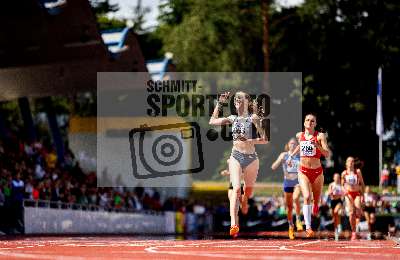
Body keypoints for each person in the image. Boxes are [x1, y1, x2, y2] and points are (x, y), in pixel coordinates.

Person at [210, 91, 268, 237]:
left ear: (247, 102)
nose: (237, 101)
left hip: (251, 158)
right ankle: (233, 224)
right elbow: (212, 121)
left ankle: (245, 200)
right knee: (235, 189)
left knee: (247, 193)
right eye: (235, 99)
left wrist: (248, 141)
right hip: (235, 155)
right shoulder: (232, 118)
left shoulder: (253, 118)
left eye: (240, 99)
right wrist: (220, 103)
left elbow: (265, 139)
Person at [288, 113, 331, 238]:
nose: (310, 122)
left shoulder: (320, 136)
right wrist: (291, 156)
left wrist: (317, 146)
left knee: (316, 201)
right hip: (303, 171)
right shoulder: (299, 135)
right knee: (306, 196)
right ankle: (308, 227)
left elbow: (327, 154)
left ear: (315, 124)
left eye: (312, 121)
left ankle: (316, 204)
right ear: (304, 123)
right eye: (307, 120)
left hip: (317, 172)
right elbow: (300, 146)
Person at [271, 138, 303, 240]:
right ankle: (290, 227)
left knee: (296, 198)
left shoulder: (300, 156)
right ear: (288, 145)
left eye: (295, 144)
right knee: (289, 208)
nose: (293, 145)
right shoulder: (284, 155)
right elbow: (273, 167)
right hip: (287, 182)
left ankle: (298, 220)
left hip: (297, 182)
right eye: (291, 143)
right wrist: (280, 160)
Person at [341, 156, 365, 241]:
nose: (351, 163)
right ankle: (354, 232)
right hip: (349, 194)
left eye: (352, 161)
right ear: (346, 163)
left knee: (358, 211)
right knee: (351, 213)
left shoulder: (357, 171)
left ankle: (357, 226)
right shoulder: (344, 173)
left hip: (357, 193)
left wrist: (363, 196)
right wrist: (344, 190)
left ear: (354, 163)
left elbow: (362, 184)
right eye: (349, 161)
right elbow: (342, 185)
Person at [327, 173, 344, 240]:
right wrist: (331, 192)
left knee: (336, 211)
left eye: (338, 177)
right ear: (334, 178)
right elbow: (328, 193)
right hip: (332, 201)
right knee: (334, 217)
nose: (337, 178)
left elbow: (344, 193)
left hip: (339, 201)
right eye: (336, 177)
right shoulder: (331, 184)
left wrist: (340, 193)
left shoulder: (341, 185)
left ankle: (339, 226)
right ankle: (336, 230)